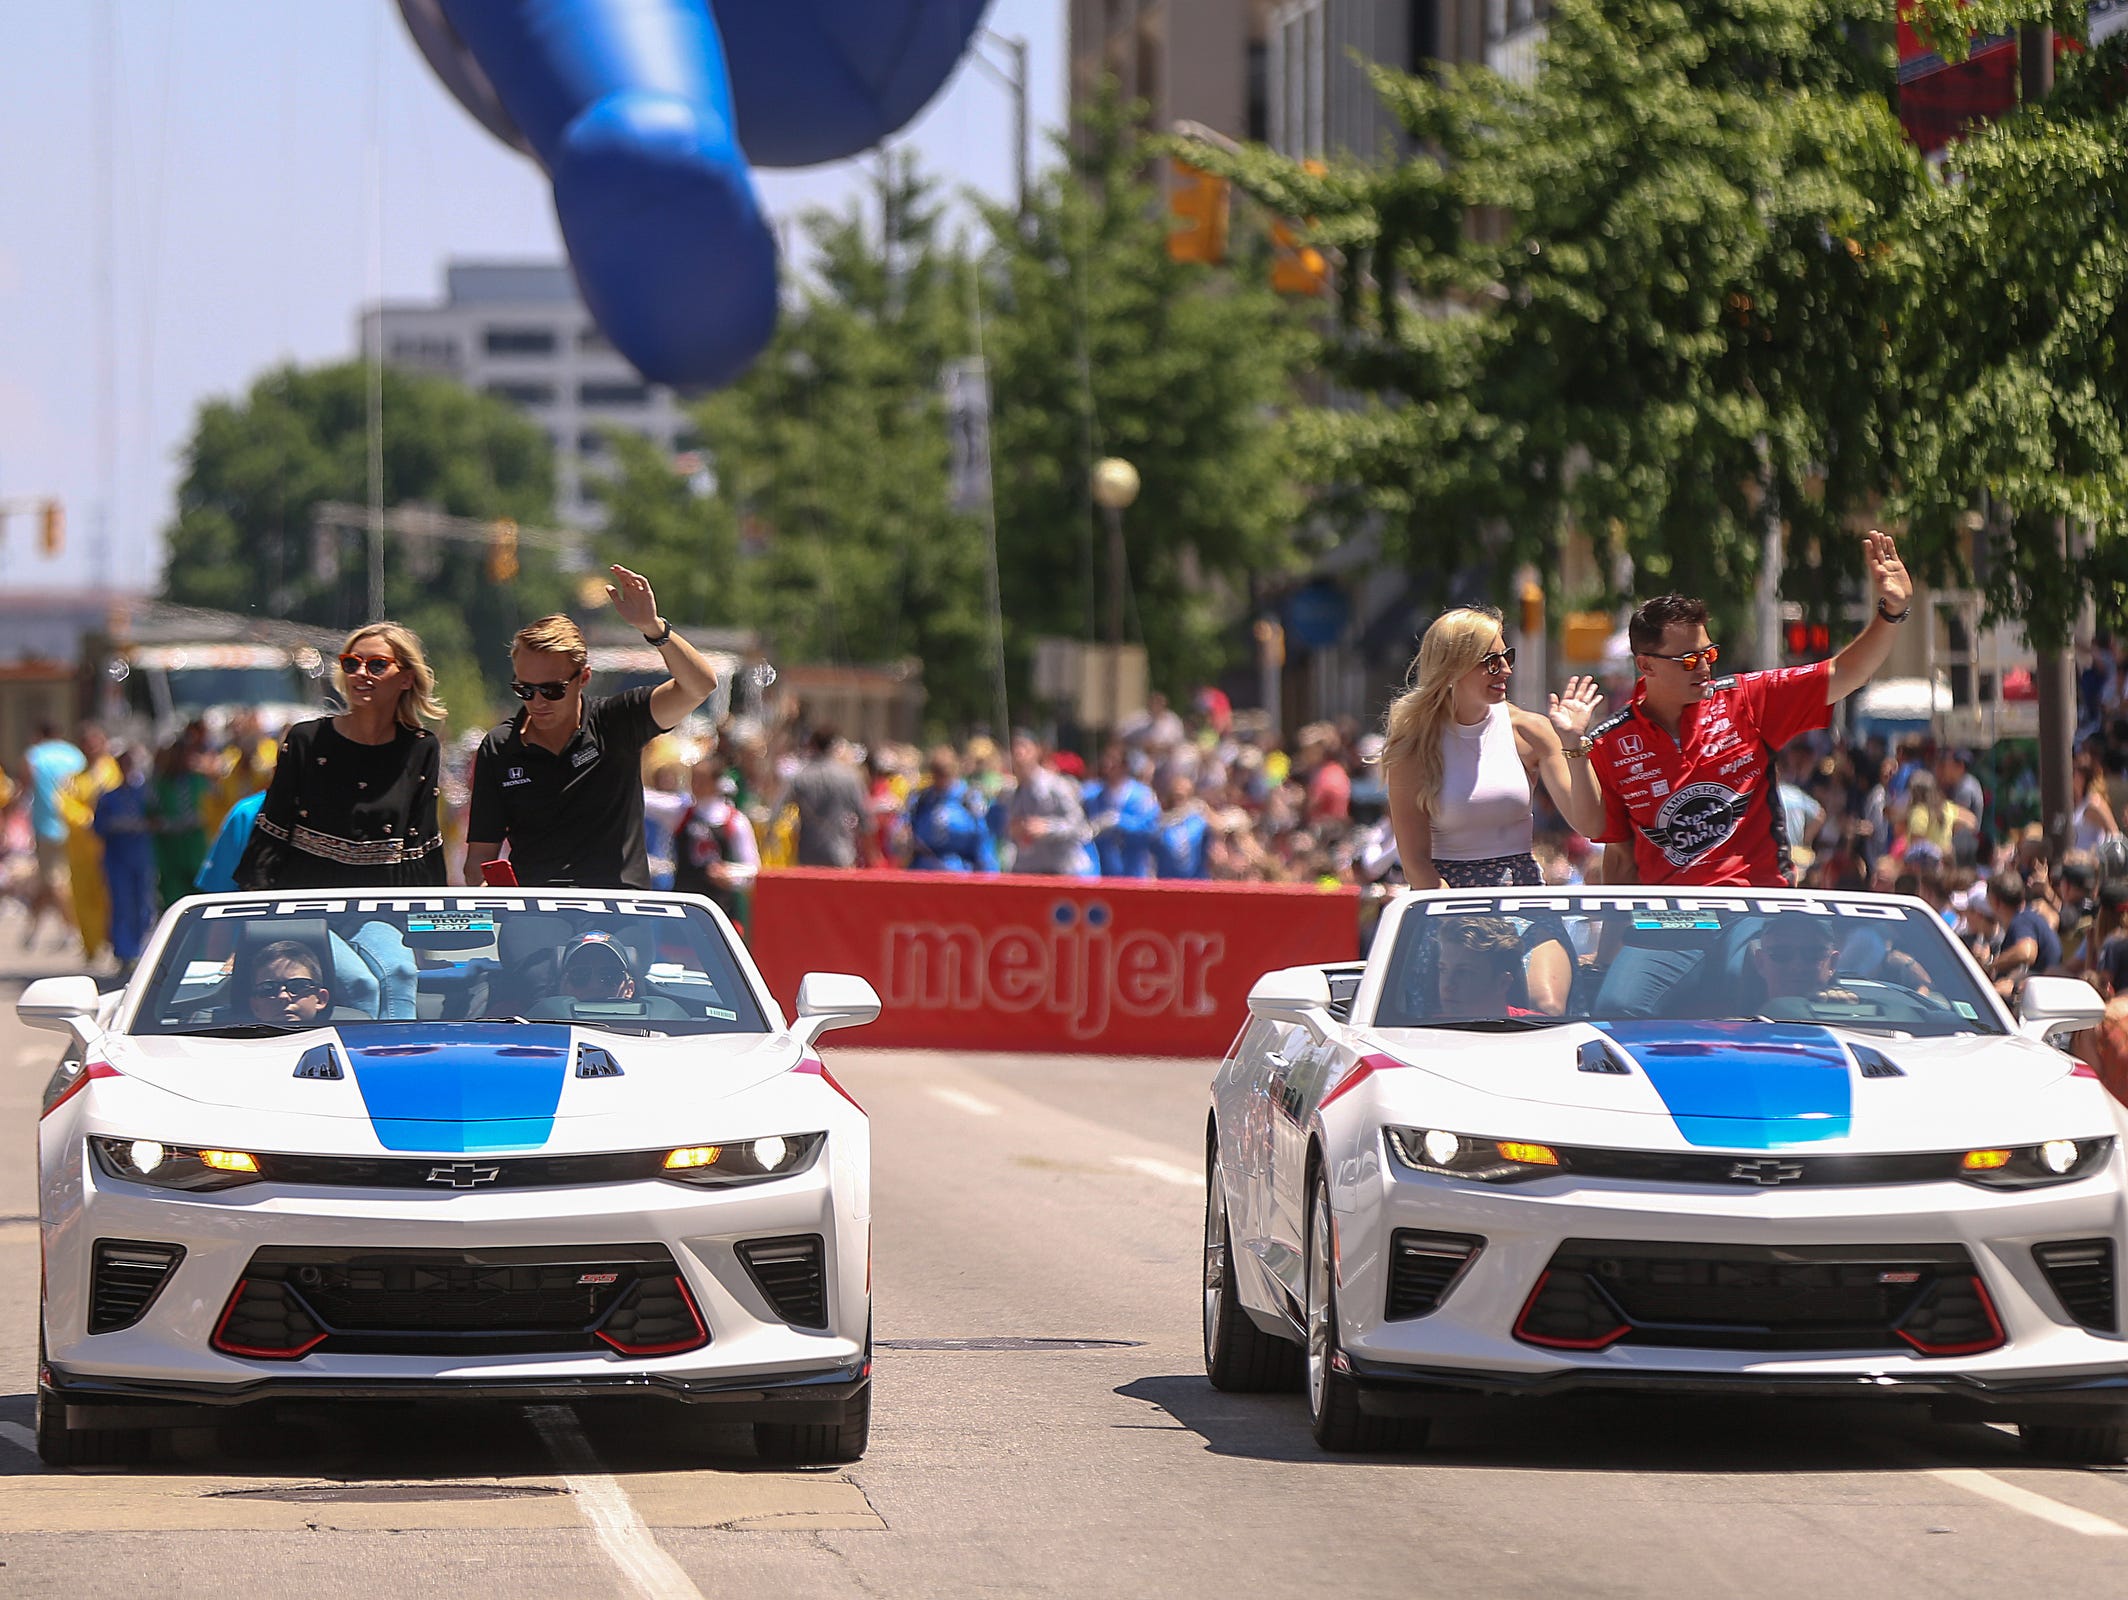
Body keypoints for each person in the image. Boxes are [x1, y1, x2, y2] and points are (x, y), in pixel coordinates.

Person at [1583, 529, 1914, 887]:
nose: (1705, 667)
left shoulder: (1746, 701)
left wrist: (1891, 612)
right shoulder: (1609, 744)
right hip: (1665, 924)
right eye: (1690, 659)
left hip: (1754, 915)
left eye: (1709, 654)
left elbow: (1845, 673)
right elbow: (1618, 858)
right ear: (1646, 666)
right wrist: (1613, 943)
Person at [465, 568, 720, 889]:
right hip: (536, 915)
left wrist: (653, 628)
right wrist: (498, 903)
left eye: (552, 690)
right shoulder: (500, 746)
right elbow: (480, 858)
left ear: (583, 679)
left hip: (618, 913)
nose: (538, 701)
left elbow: (699, 686)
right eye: (525, 691)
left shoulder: (616, 720)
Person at [236, 622, 448, 890]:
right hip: (305, 902)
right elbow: (272, 829)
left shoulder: (421, 748)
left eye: (377, 665)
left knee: (379, 936)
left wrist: (430, 921)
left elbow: (422, 843)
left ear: (406, 678)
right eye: (351, 664)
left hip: (381, 907)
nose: (360, 673)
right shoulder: (306, 739)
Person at [93, 747, 158, 974]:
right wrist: (117, 824)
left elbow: (157, 820)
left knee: (143, 905)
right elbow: (98, 827)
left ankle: (140, 950)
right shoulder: (108, 797)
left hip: (141, 857)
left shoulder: (146, 794)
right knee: (122, 905)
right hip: (118, 858)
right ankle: (124, 953)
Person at [20, 721, 84, 950]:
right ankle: (32, 930)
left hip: (46, 824)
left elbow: (25, 785)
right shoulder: (74, 755)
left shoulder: (35, 755)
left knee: (54, 880)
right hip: (74, 823)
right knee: (48, 880)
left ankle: (72, 929)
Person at [673, 758, 759, 922]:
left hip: (721, 911)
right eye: (693, 779)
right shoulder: (681, 813)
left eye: (702, 779)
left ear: (715, 782)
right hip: (684, 909)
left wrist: (730, 877)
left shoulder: (735, 820)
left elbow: (753, 871)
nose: (696, 785)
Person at [1003, 730, 1093, 876]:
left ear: (1037, 751)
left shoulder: (1057, 787)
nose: (1019, 754)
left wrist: (1048, 827)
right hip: (1028, 870)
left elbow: (1081, 828)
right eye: (1014, 749)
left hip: (1061, 872)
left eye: (1024, 747)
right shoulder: (1013, 793)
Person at [904, 746, 997, 872]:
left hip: (960, 873)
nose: (941, 779)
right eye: (937, 773)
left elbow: (984, 842)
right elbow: (901, 837)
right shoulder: (921, 800)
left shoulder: (969, 799)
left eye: (945, 773)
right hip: (924, 873)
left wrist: (988, 878)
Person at [788, 726, 869, 868]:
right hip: (840, 851)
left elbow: (776, 811)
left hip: (808, 852)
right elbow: (865, 820)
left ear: (812, 745)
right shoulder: (849, 777)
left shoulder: (800, 778)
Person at [1082, 744, 1160, 878]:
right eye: (1106, 760)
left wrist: (1119, 821)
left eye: (1113, 761)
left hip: (1134, 871)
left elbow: (1151, 829)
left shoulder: (1142, 795)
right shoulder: (1094, 796)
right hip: (1104, 873)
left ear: (1125, 766)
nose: (1107, 765)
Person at [247, 940, 331, 1029]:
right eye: (268, 988)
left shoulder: (344, 1039)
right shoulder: (234, 1042)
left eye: (297, 986)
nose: (283, 996)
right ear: (255, 1006)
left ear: (320, 999)